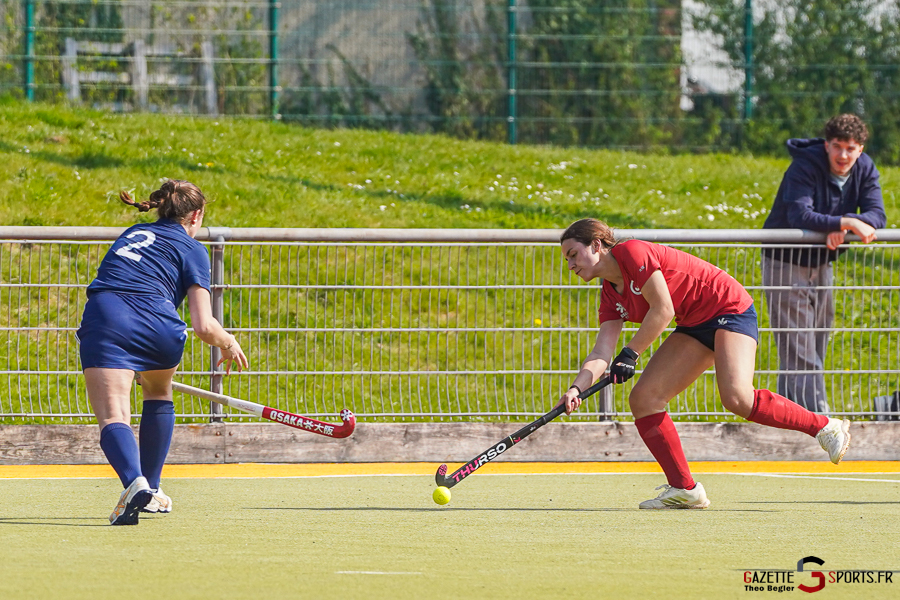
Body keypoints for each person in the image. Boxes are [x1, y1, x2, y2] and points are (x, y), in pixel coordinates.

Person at [558, 218, 850, 509]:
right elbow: (601, 352)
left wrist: (631, 353)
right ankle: (684, 489)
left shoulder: (633, 253)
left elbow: (663, 310)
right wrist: (576, 388)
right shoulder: (610, 295)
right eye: (566, 259)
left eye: (573, 254)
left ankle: (825, 427)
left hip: (728, 306)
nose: (570, 264)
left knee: (737, 397)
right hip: (695, 322)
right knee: (645, 399)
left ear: (596, 245)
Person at [78, 180, 248, 525]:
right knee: (158, 391)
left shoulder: (131, 233)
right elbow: (204, 325)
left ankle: (135, 483)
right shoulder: (193, 249)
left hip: (109, 319)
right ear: (196, 215)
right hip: (161, 329)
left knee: (114, 416)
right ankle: (152, 490)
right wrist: (228, 343)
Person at [762, 114, 886, 412]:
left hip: (822, 261)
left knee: (817, 337)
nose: (843, 155)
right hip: (786, 259)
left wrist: (843, 228)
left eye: (851, 148)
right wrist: (842, 222)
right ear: (827, 145)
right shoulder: (804, 165)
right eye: (837, 146)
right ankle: (818, 417)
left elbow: (877, 215)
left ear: (861, 149)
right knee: (798, 342)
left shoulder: (865, 168)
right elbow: (799, 215)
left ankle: (790, 413)